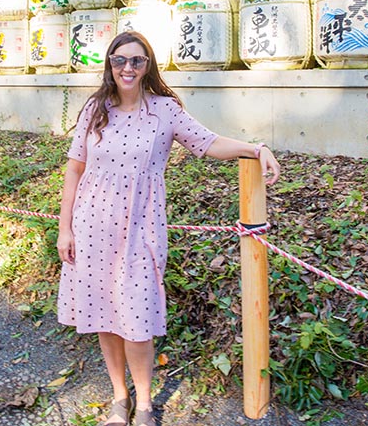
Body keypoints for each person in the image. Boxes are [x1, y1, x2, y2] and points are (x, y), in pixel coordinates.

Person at [56, 31, 281, 426]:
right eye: (119, 60)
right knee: (103, 315)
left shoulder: (165, 111)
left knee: (136, 318)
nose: (127, 67)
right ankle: (118, 398)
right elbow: (75, 169)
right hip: (91, 225)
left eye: (137, 61)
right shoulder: (95, 109)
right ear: (109, 64)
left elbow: (208, 142)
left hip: (140, 228)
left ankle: (143, 403)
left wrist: (256, 148)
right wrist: (65, 229)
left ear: (148, 66)